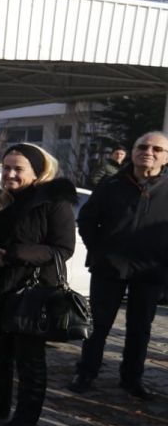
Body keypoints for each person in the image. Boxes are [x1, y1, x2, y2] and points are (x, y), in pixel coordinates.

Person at [0, 143, 76, 426]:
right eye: (6, 168)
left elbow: (62, 248)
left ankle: (26, 418)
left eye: (18, 169)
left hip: (33, 290)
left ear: (39, 172)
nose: (10, 174)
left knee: (29, 359)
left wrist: (11, 254)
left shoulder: (54, 201)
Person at [68, 131, 168, 400]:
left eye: (156, 149)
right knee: (97, 325)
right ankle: (86, 373)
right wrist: (100, 251)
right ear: (133, 151)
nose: (148, 151)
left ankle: (131, 378)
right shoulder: (111, 184)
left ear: (166, 157)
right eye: (142, 146)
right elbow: (87, 220)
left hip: (150, 271)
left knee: (140, 328)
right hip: (109, 267)